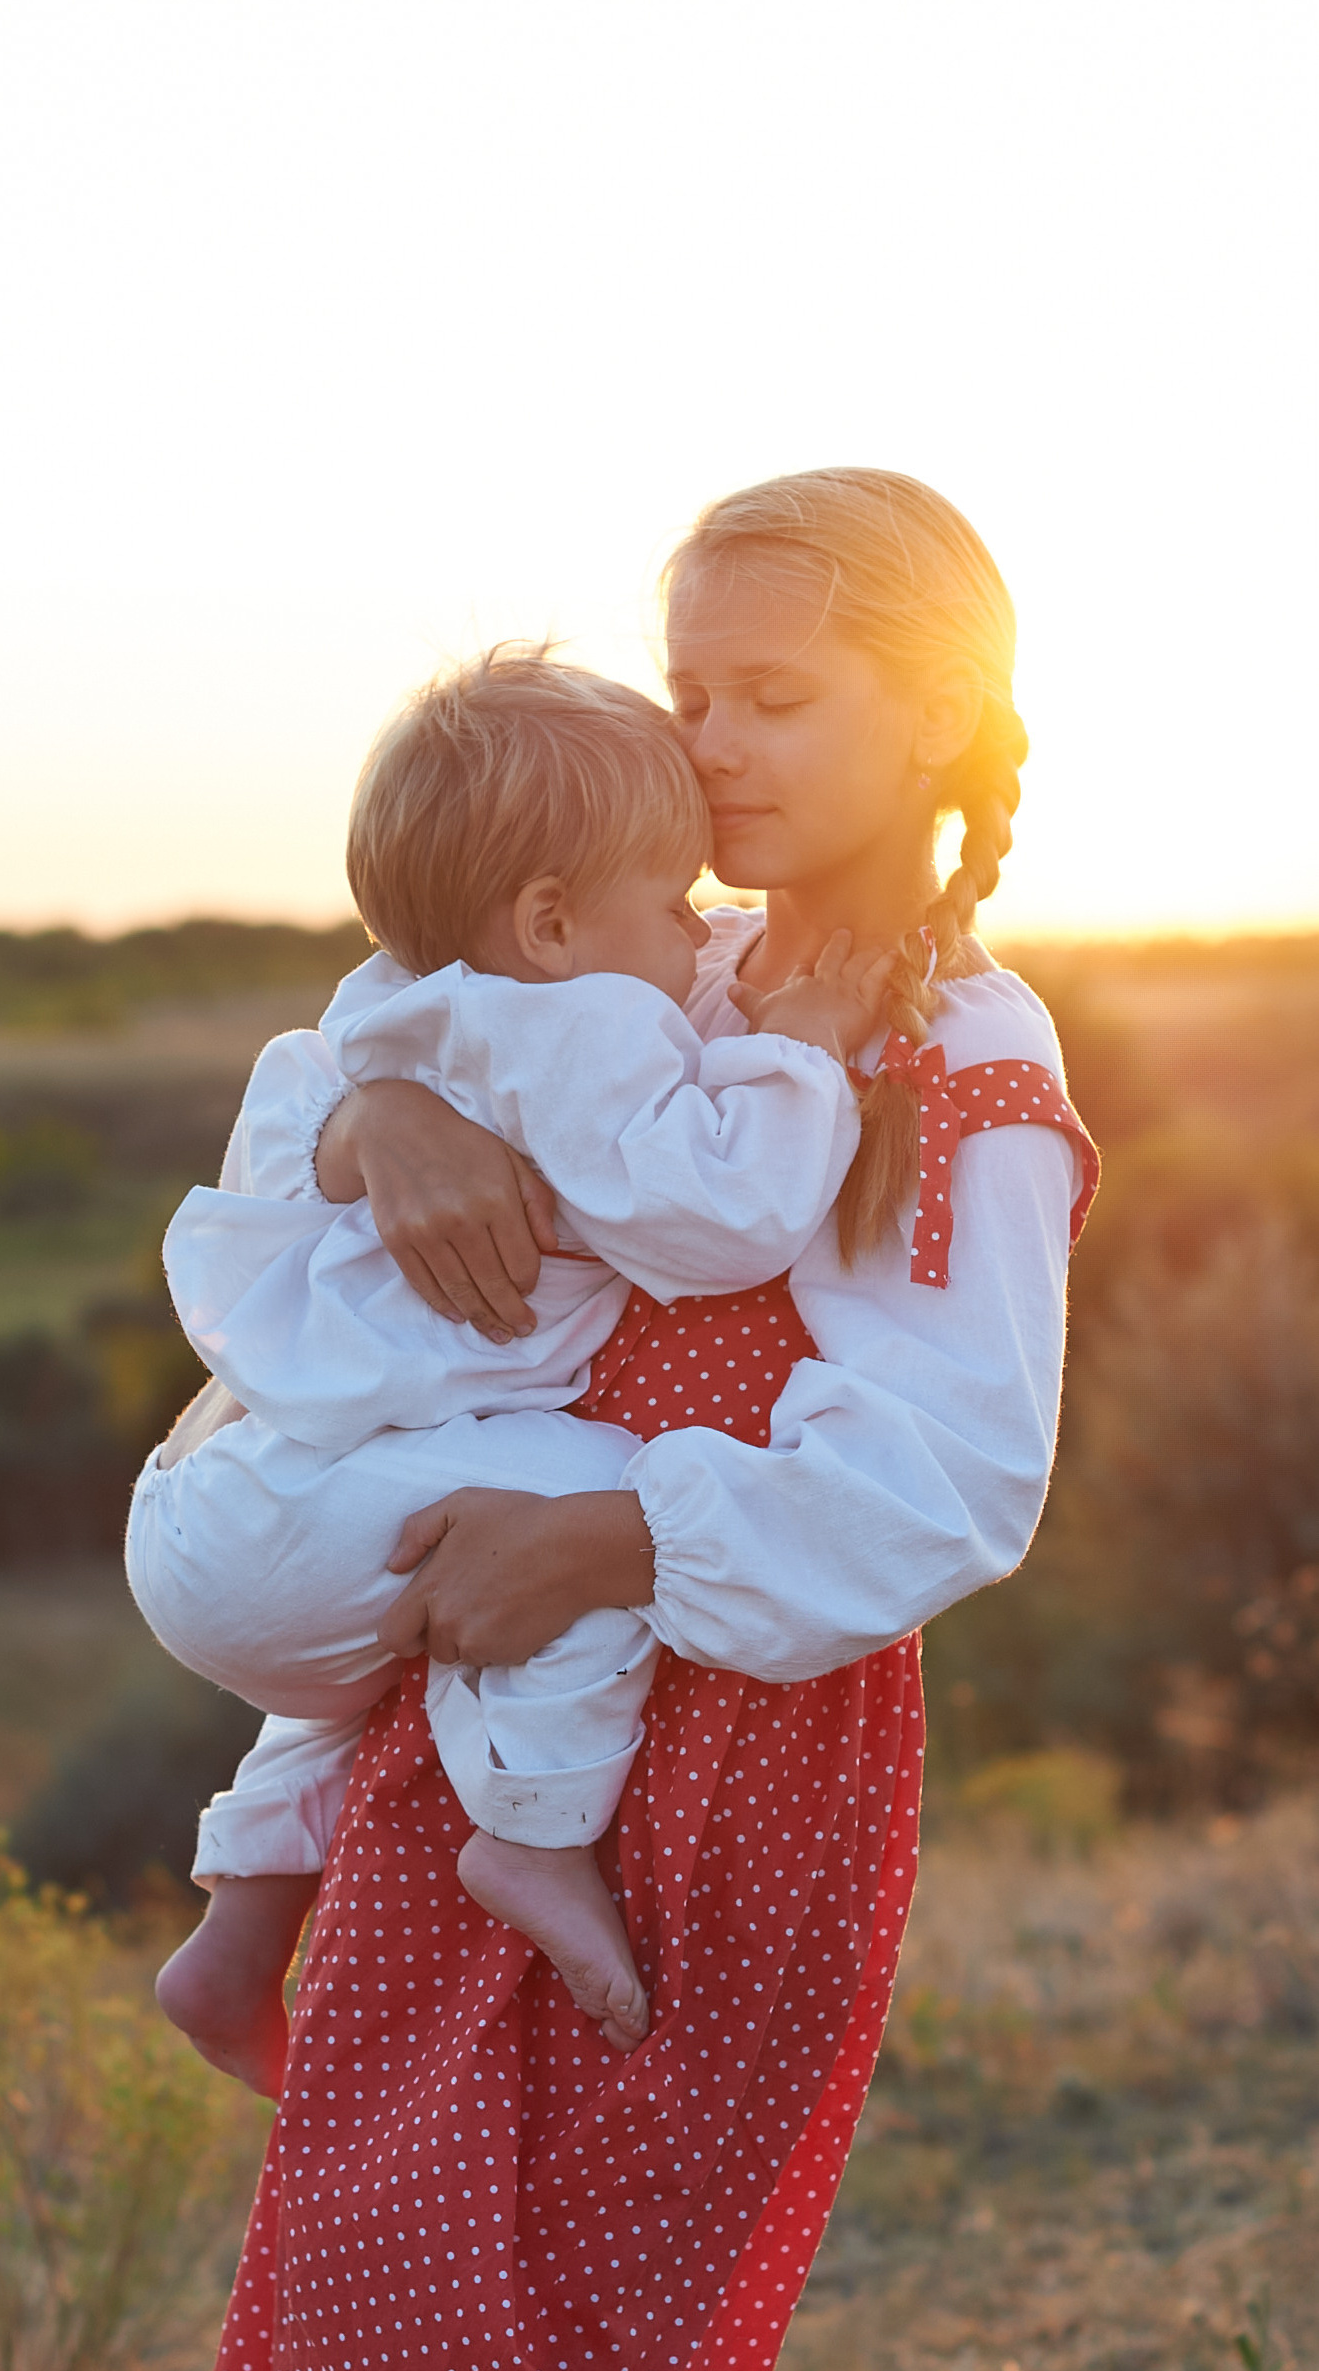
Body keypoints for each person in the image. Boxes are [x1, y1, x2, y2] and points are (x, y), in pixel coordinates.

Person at [154, 468, 1099, 2371]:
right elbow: (376, 1062)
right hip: (479, 1724)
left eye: (773, 694)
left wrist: (602, 1532)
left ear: (930, 712)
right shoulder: (653, 963)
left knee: (566, 2354)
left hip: (728, 1770)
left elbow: (955, 1474)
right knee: (363, 2293)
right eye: (689, 689)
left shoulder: (958, 1061)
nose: (710, 742)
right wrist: (375, 1129)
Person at [130, 647, 892, 2063]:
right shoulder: (581, 1029)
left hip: (235, 1502)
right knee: (615, 1495)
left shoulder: (392, 1003)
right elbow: (722, 1221)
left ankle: (236, 1931)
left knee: (388, 1644)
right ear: (549, 923)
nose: (697, 927)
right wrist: (799, 1054)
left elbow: (298, 1109)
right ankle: (535, 1830)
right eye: (673, 904)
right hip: (295, 1505)